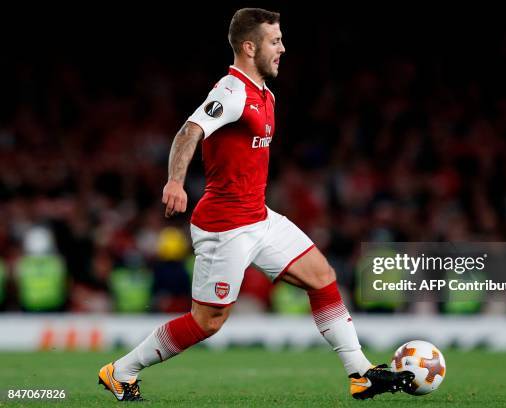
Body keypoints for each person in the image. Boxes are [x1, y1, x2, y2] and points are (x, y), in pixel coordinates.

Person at [98, 7, 414, 401]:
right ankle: (120, 371)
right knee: (207, 322)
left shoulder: (266, 96)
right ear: (250, 47)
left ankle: (360, 373)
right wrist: (175, 182)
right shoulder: (231, 93)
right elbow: (188, 131)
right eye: (275, 41)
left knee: (322, 277)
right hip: (224, 227)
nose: (282, 48)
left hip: (259, 218)